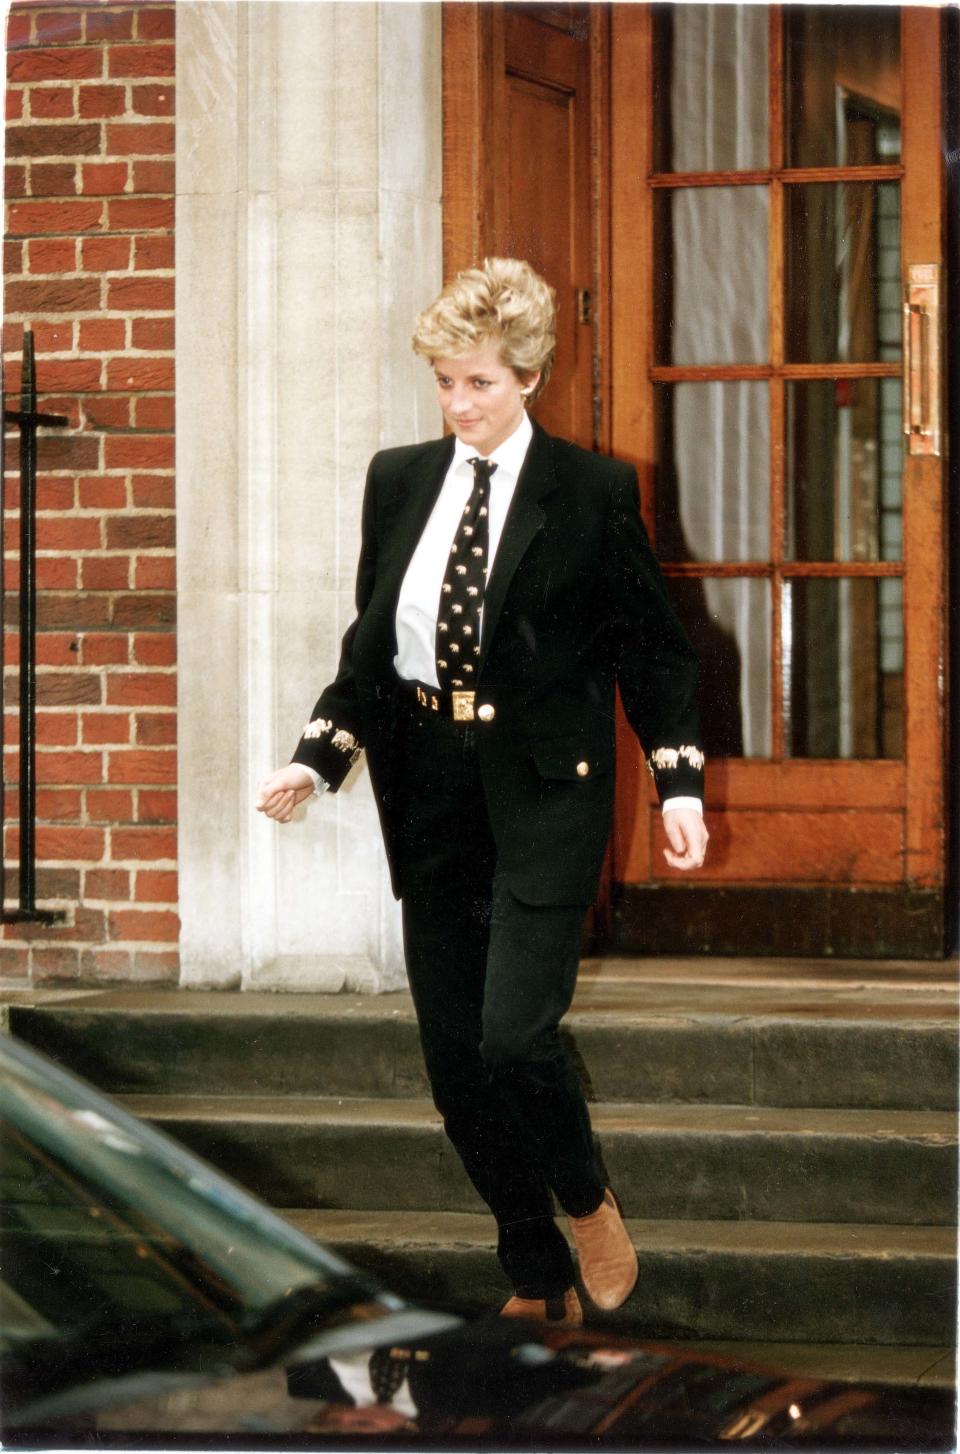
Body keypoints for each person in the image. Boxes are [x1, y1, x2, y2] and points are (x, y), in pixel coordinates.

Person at [256, 258, 708, 1328]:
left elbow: (654, 653)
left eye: (482, 384)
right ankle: (533, 1267)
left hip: (547, 790)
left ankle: (588, 1198)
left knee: (515, 1035)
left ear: (531, 377)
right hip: (434, 789)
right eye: (447, 382)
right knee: (456, 1061)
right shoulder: (398, 478)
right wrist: (317, 758)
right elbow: (372, 645)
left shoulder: (592, 493)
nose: (460, 406)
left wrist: (679, 782)